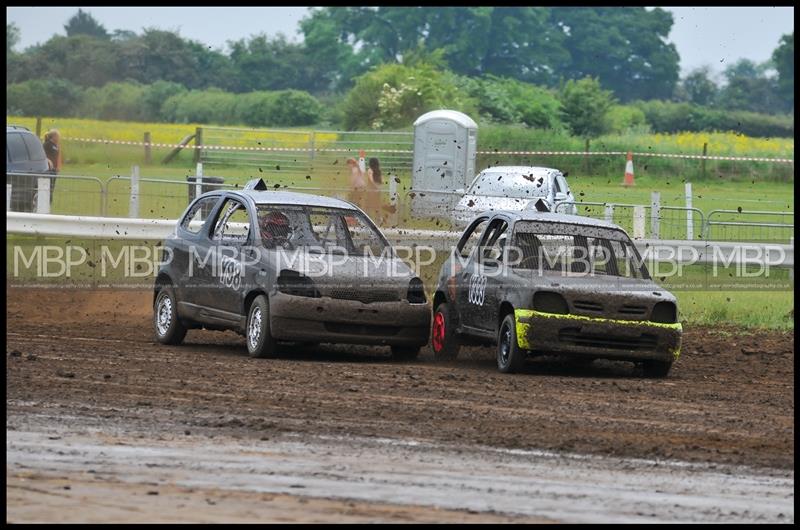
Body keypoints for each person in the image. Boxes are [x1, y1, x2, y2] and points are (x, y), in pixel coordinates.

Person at [42, 129, 62, 203]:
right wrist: (48, 160)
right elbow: (42, 154)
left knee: (52, 186)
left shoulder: (55, 145)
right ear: (53, 136)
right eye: (57, 136)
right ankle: (46, 200)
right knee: (48, 186)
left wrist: (58, 166)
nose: (59, 138)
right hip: (48, 169)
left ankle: (49, 201)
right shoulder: (47, 144)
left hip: (54, 170)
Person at [364, 157, 383, 222]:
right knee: (376, 205)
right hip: (377, 191)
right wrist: (378, 187)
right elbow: (381, 180)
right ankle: (378, 219)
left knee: (368, 205)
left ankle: (367, 219)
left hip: (371, 191)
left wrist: (375, 186)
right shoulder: (378, 170)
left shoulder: (370, 170)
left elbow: (371, 179)